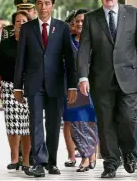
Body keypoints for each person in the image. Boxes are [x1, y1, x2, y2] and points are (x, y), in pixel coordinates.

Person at [77, 0, 137, 178]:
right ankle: (110, 163)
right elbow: (84, 50)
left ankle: (128, 153)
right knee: (105, 122)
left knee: (128, 119)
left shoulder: (133, 14)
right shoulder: (92, 19)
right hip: (101, 79)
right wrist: (83, 77)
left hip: (130, 77)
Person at [14, 0, 78, 178]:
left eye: (47, 3)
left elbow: (69, 58)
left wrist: (72, 85)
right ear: (36, 6)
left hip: (56, 84)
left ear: (53, 6)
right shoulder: (27, 28)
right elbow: (21, 59)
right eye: (40, 3)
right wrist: (18, 86)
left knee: (53, 124)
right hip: (34, 84)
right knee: (35, 124)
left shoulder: (63, 28)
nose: (43, 7)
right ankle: (39, 163)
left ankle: (52, 162)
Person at [0, 11, 32, 171]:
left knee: (27, 126)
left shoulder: (33, 43)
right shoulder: (6, 43)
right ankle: (15, 158)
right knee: (12, 125)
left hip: (28, 88)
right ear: (13, 24)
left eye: (24, 21)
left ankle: (27, 159)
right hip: (9, 88)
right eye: (18, 21)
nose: (21, 24)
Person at [62, 9, 99, 172]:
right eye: (77, 21)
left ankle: (91, 155)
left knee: (90, 122)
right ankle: (84, 156)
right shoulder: (67, 42)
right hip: (72, 88)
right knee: (77, 123)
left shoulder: (96, 43)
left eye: (83, 21)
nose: (79, 24)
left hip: (92, 88)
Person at [62, 10, 78, 167]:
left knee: (88, 120)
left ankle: (88, 154)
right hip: (67, 84)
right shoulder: (65, 41)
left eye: (78, 23)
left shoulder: (89, 41)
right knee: (68, 120)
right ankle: (71, 155)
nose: (75, 26)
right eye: (71, 24)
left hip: (87, 85)